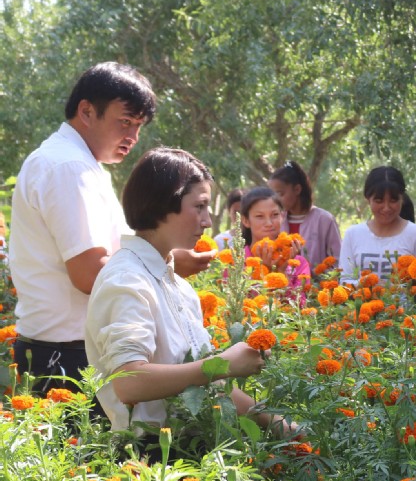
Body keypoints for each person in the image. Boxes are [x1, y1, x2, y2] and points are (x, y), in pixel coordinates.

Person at [10, 63, 212, 394]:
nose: (132, 137)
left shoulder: (81, 164)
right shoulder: (68, 167)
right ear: (87, 111)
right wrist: (170, 266)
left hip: (67, 348)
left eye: (138, 126)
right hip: (67, 356)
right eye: (125, 122)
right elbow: (89, 273)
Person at [85, 147, 290, 436]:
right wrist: (221, 365)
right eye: (200, 206)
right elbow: (128, 382)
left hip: (191, 449)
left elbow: (203, 382)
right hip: (150, 461)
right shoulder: (126, 280)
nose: (207, 221)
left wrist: (280, 425)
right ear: (163, 203)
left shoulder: (175, 285)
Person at [339, 166, 416, 284]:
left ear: (402, 199)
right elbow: (345, 281)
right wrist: (366, 286)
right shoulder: (353, 234)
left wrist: (412, 286)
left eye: (393, 201)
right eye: (379, 201)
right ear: (368, 199)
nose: (386, 208)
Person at [268, 160, 341, 266]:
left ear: (297, 189)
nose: (276, 200)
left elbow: (338, 259)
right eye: (273, 195)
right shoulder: (277, 220)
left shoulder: (324, 220)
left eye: (280, 194)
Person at [241, 186, 312, 290]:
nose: (269, 223)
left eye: (274, 215)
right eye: (260, 216)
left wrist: (280, 273)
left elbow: (300, 304)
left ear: (282, 216)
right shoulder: (235, 263)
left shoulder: (298, 264)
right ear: (246, 221)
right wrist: (264, 271)